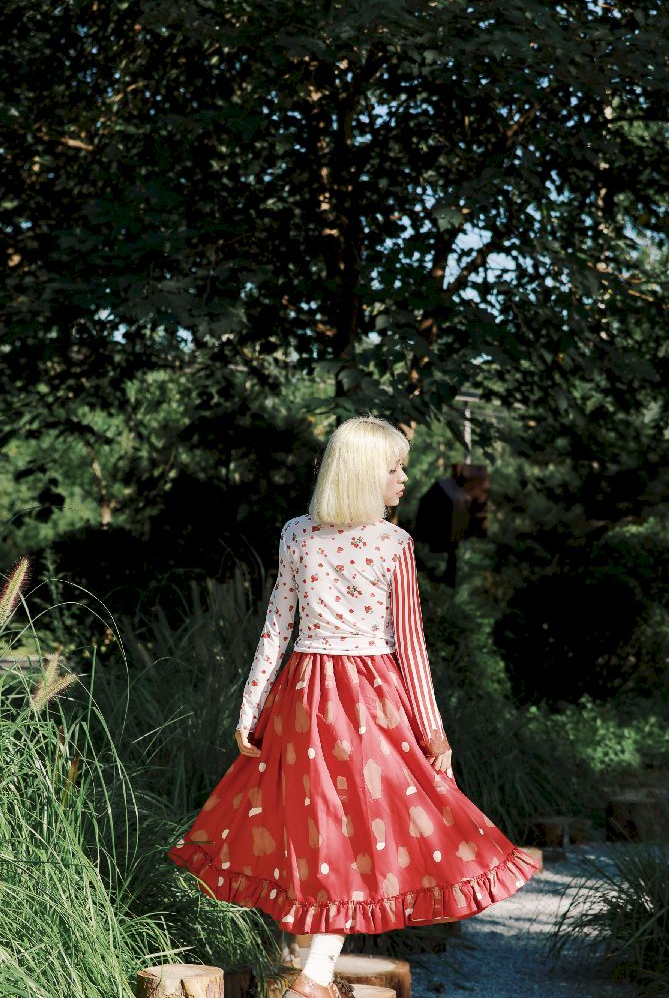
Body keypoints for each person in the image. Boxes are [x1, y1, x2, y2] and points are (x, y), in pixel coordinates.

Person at [166, 415, 540, 998]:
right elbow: (410, 646)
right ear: (365, 473)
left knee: (311, 822)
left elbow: (276, 628)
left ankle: (308, 964)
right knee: (355, 828)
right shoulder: (393, 543)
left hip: (305, 694)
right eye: (395, 468)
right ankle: (312, 972)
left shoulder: (299, 533)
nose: (405, 478)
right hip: (370, 700)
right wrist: (433, 733)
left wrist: (251, 707)